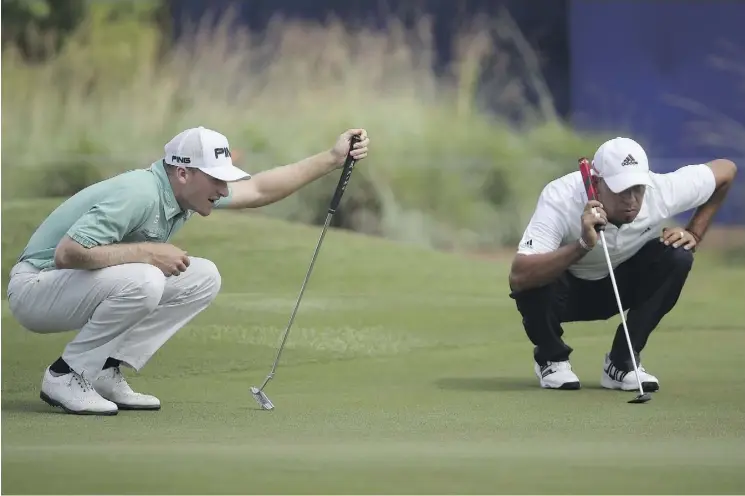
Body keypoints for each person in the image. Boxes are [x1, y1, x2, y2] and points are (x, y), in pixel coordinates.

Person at [6, 126, 370, 415]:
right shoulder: (140, 193)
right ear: (183, 173)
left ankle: (103, 369)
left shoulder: (183, 194)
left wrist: (332, 158)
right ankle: (66, 375)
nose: (224, 188)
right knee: (147, 275)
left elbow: (258, 189)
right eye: (216, 179)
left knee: (202, 276)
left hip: (68, 287)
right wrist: (149, 252)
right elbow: (67, 253)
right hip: (36, 288)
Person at [508, 137, 737, 391]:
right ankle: (551, 358)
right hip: (565, 295)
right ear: (595, 183)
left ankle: (622, 363)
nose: (631, 199)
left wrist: (694, 234)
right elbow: (519, 275)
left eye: (638, 188)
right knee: (534, 278)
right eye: (621, 189)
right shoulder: (560, 197)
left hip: (621, 284)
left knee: (678, 255)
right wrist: (582, 245)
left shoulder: (662, 191)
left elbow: (726, 170)